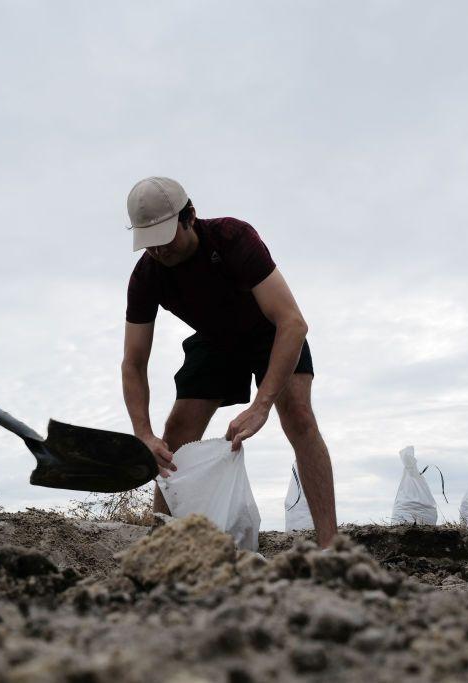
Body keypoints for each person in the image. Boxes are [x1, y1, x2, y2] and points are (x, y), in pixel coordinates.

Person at [120, 176, 337, 547]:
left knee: (299, 416)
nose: (157, 251)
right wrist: (143, 434)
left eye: (165, 238)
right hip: (215, 340)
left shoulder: (233, 239)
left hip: (270, 332)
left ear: (189, 216)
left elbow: (293, 322)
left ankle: (332, 546)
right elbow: (133, 363)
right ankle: (160, 543)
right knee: (176, 432)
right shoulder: (147, 275)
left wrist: (261, 406)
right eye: (149, 242)